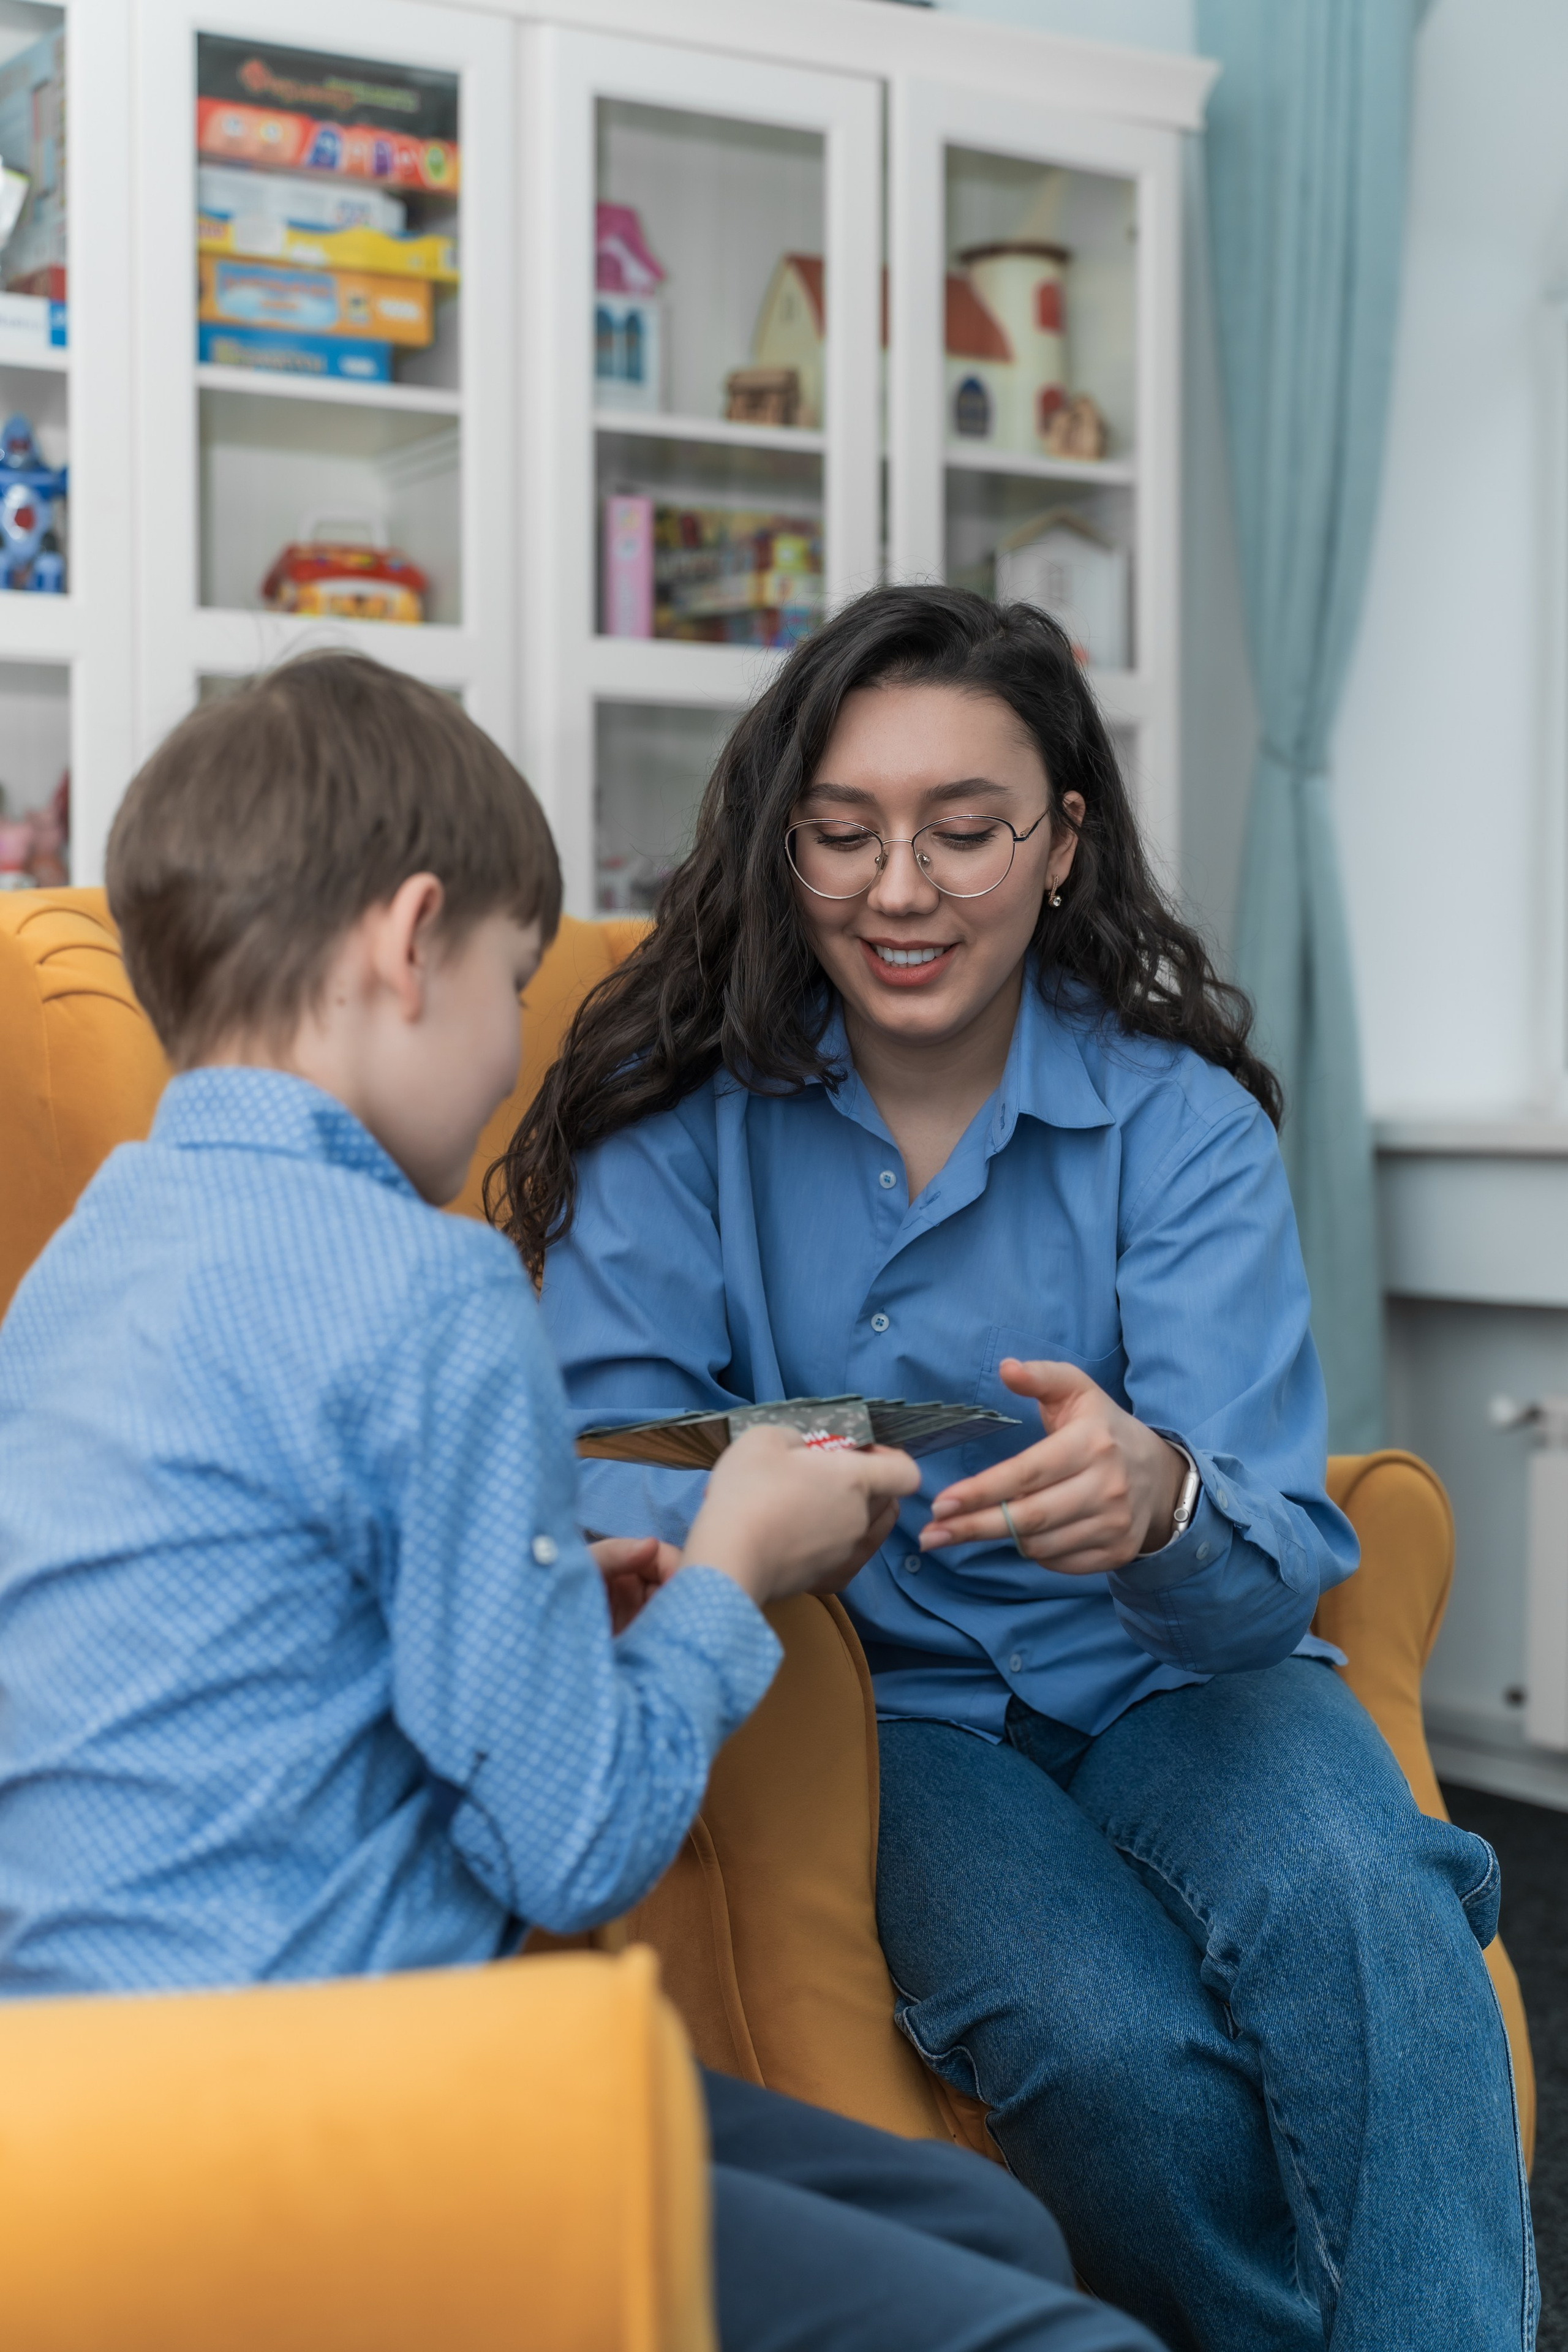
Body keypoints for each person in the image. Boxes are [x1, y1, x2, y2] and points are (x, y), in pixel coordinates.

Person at [0, 652, 1163, 2352]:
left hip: (58, 2107)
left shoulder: (82, 1261)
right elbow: (574, 1847)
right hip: (315, 2113)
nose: (504, 1067)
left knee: (969, 2213)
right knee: (1073, 2339)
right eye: (510, 982)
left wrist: (568, 1616)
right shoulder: (433, 1285)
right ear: (411, 943)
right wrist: (732, 1576)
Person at [505, 586, 1538, 2352]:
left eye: (964, 832)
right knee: (1113, 2052)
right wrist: (786, 1501)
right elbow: (607, 1475)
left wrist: (1162, 1499)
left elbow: (1274, 1533)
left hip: (1178, 1671)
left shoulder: (1180, 1123)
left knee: (1376, 1911)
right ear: (782, 846)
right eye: (842, 835)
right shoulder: (678, 1129)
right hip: (890, 1717)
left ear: (1061, 843)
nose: (898, 890)